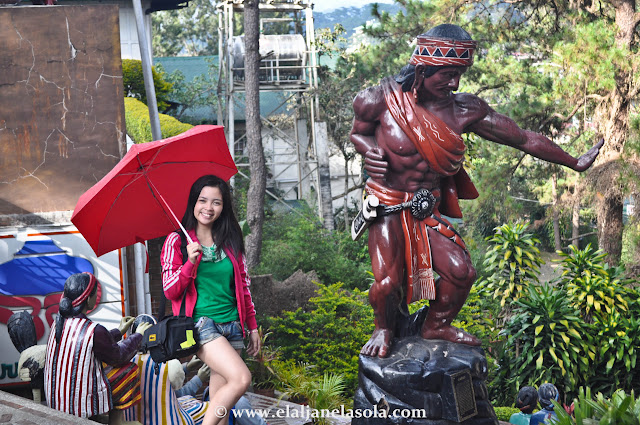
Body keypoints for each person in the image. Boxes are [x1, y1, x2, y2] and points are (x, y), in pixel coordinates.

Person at [350, 24, 603, 358]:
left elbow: (523, 138)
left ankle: (436, 325)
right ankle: (383, 329)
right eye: (448, 75)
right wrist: (368, 152)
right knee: (386, 284)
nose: (455, 84)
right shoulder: (377, 99)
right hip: (388, 205)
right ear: (424, 70)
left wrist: (573, 162)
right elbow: (359, 133)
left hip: (426, 208)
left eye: (459, 75)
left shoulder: (463, 110)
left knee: (461, 273)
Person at [161, 174, 261, 425]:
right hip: (202, 325)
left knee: (221, 403)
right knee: (241, 379)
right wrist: (189, 263)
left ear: (223, 207)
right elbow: (170, 291)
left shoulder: (230, 241)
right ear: (193, 203)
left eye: (216, 202)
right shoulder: (177, 241)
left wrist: (252, 326)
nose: (208, 207)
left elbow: (244, 288)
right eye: (202, 200)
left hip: (233, 326)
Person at [44, 272, 152, 424]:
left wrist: (120, 331)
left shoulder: (58, 323)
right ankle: (117, 421)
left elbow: (96, 342)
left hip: (58, 401)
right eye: (95, 294)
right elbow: (119, 356)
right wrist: (138, 335)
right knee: (128, 370)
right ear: (88, 299)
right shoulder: (93, 330)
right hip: (77, 405)